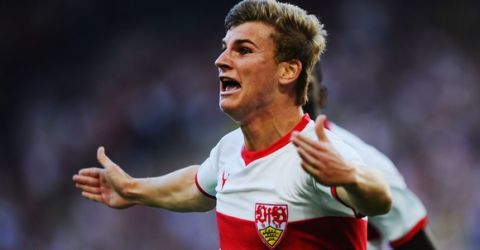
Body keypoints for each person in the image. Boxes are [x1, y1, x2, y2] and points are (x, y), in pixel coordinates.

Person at [73, 0, 392, 249]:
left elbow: (377, 196)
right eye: (224, 48)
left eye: (243, 50)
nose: (221, 60)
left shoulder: (316, 153)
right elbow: (199, 186)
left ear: (288, 71)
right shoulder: (229, 150)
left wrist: (349, 177)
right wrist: (132, 189)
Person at [303, 66, 436, 250]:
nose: (294, 96)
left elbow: (415, 241)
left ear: (322, 96)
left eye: (305, 87)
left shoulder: (364, 162)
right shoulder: (249, 149)